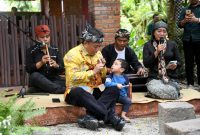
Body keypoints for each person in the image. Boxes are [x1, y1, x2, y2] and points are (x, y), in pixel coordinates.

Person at [63, 24, 125, 131]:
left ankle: (89, 117)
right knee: (78, 91)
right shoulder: (72, 55)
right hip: (77, 91)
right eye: (95, 46)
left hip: (96, 89)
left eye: (99, 46)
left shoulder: (98, 54)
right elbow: (72, 77)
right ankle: (110, 117)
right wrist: (93, 71)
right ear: (86, 43)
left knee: (114, 89)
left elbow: (104, 76)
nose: (98, 49)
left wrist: (103, 68)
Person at [143, 21, 180, 99]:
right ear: (153, 33)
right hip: (154, 78)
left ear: (166, 33)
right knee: (168, 92)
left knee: (172, 90)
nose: (162, 33)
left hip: (170, 78)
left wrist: (175, 65)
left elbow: (179, 62)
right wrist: (157, 51)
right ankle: (171, 94)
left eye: (164, 31)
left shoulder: (172, 44)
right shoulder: (148, 45)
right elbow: (146, 63)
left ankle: (154, 94)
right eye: (159, 31)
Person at [26, 25, 65, 94]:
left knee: (66, 81)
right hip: (39, 79)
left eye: (47, 37)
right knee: (34, 76)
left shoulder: (55, 49)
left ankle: (42, 89)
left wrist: (56, 65)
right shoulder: (31, 51)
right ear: (37, 38)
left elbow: (62, 68)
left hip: (53, 79)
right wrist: (41, 62)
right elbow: (29, 69)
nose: (45, 39)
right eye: (42, 37)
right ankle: (59, 90)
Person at [178, 0, 200, 89]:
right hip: (187, 39)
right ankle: (190, 83)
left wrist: (197, 20)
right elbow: (179, 24)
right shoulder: (185, 9)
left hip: (199, 39)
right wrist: (184, 20)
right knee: (188, 62)